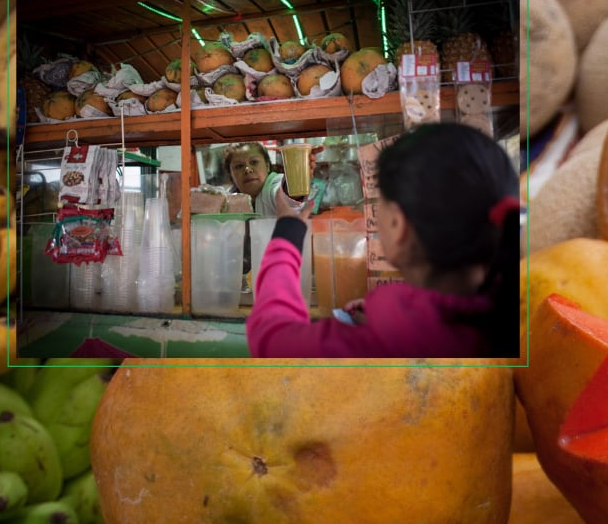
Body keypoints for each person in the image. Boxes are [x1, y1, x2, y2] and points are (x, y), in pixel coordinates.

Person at [245, 121, 520, 358]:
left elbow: (271, 337)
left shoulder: (381, 342)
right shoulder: (515, 317)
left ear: (398, 225)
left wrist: (287, 233)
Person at [222, 141, 325, 219]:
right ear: (230, 174)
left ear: (267, 166)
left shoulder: (273, 184)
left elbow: (285, 195)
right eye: (239, 166)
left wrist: (297, 178)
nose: (247, 169)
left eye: (254, 162)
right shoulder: (227, 200)